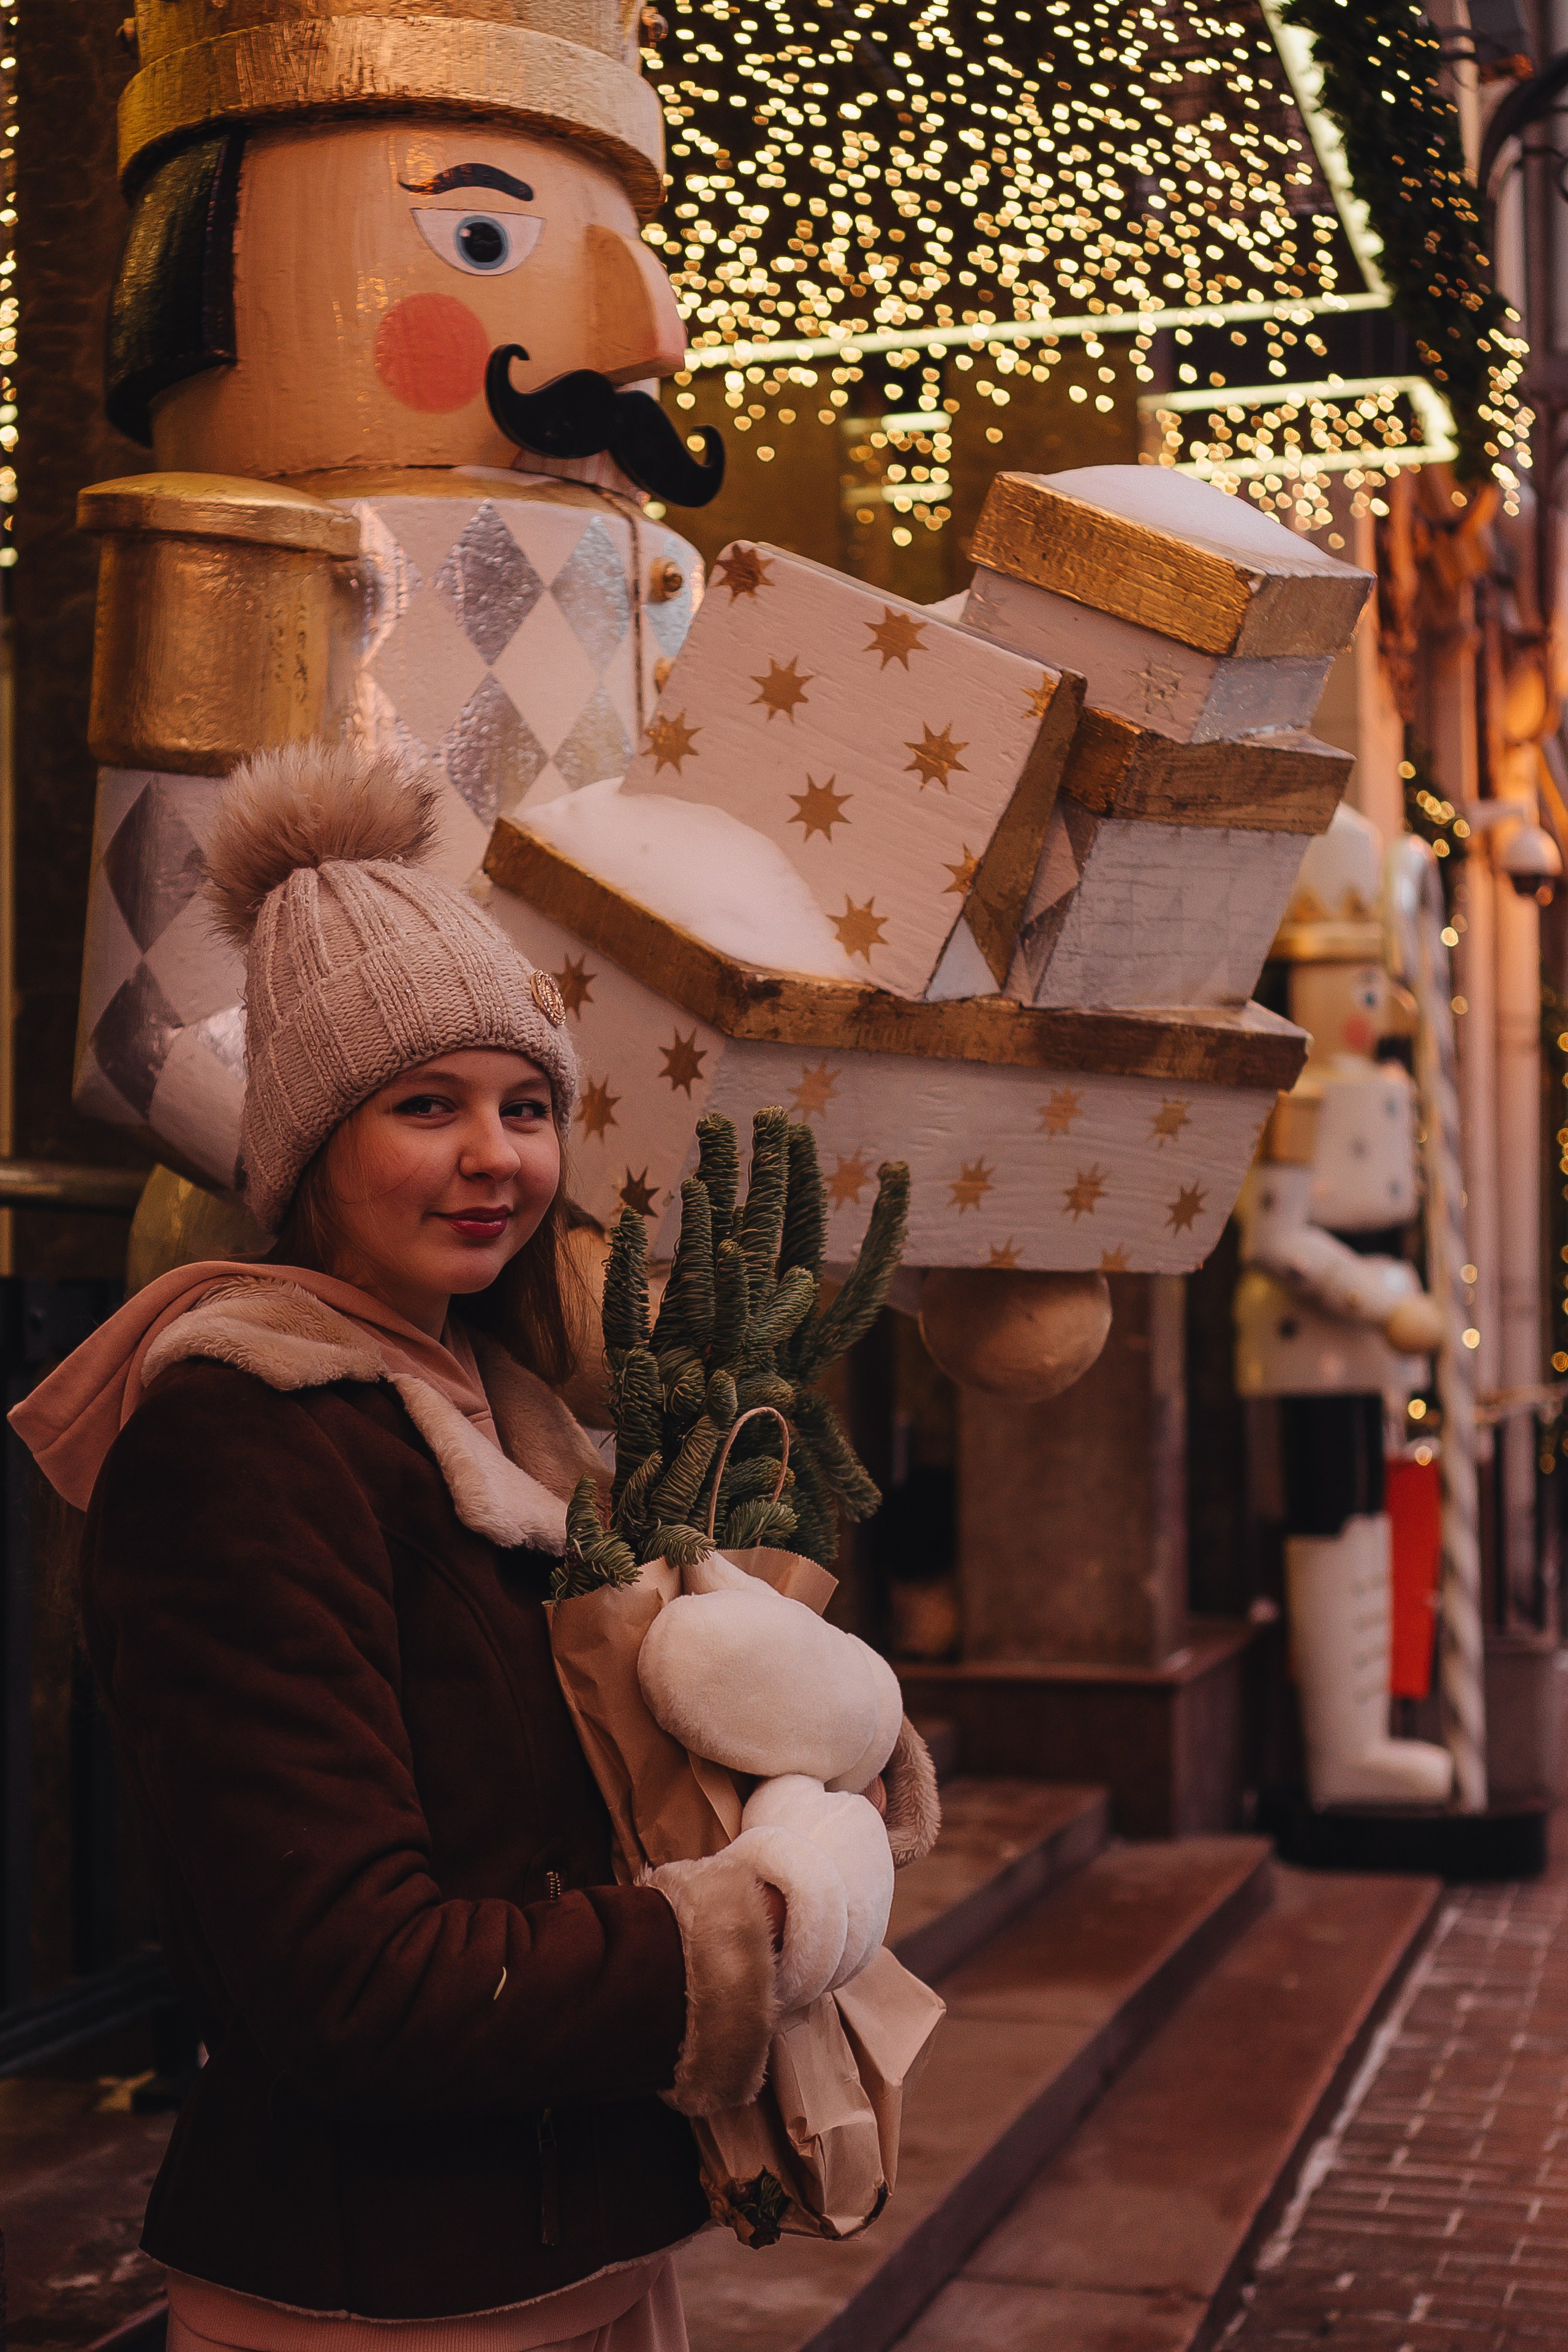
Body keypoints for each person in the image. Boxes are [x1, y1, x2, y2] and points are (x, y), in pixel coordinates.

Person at [12, 743, 890, 2352]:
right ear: (307, 1150)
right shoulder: (242, 1446)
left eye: (526, 1106)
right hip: (383, 2295)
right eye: (428, 1108)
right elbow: (358, 1979)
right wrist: (752, 1926)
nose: (497, 1156)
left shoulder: (496, 1412)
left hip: (564, 2243)